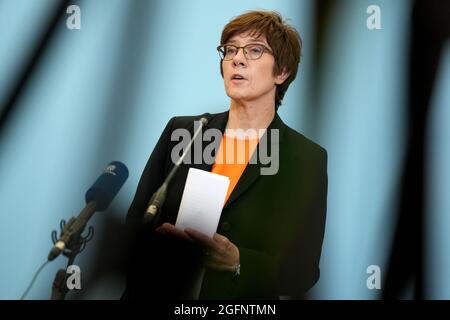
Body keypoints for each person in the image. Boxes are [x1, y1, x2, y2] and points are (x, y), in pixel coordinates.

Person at [122, 10, 328, 300]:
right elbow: (136, 222)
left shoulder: (305, 158)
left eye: (254, 50)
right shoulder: (184, 132)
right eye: (230, 50)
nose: (237, 59)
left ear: (282, 72)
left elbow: (303, 270)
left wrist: (237, 261)